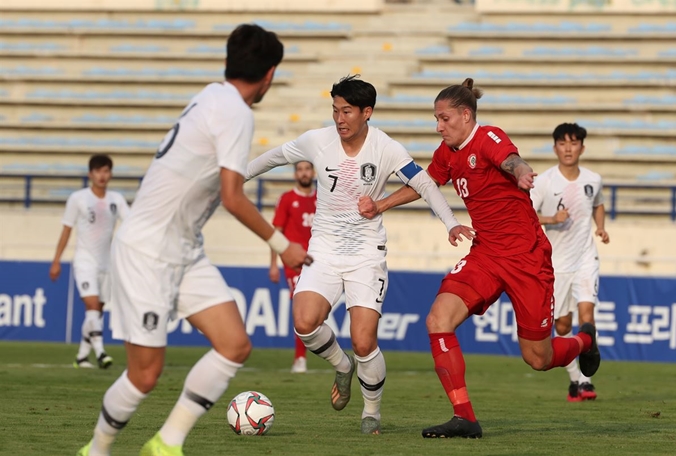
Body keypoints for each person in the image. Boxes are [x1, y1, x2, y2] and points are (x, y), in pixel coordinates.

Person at [77, 24, 311, 456]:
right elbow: (232, 197)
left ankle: (166, 443)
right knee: (145, 375)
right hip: (148, 250)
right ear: (270, 74)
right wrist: (283, 245)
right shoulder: (237, 112)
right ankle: (96, 450)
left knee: (235, 344)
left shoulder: (211, 95)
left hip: (183, 248)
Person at [358, 78, 601, 439]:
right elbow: (424, 184)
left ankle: (584, 340)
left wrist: (520, 172)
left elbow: (511, 159)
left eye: (444, 118)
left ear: (466, 115)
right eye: (436, 119)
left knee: (539, 358)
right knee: (438, 319)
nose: (438, 126)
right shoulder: (446, 153)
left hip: (526, 257)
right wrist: (381, 205)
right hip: (485, 253)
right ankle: (465, 418)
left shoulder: (487, 138)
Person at [246, 75, 473, 435]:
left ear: (367, 113)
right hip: (323, 249)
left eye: (347, 111)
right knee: (304, 323)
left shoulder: (386, 148)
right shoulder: (317, 141)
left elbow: (424, 183)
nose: (339, 118)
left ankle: (371, 412)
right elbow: (273, 158)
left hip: (367, 253)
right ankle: (342, 365)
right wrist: (231, 180)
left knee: (365, 341)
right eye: (335, 110)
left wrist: (450, 223)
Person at [531, 123, 609, 402]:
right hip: (556, 265)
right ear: (555, 148)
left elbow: (598, 204)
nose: (568, 148)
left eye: (573, 143)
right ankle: (575, 379)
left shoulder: (593, 179)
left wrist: (600, 227)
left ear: (582, 148)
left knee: (587, 316)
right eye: (563, 143)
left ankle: (586, 382)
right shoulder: (545, 182)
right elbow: (525, 213)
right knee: (562, 326)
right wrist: (552, 219)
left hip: (586, 258)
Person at [50, 154, 129, 370]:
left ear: (110, 174)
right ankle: (101, 353)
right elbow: (66, 230)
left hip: (107, 263)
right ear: (90, 174)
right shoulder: (78, 198)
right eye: (98, 171)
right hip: (85, 261)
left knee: (97, 311)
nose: (102, 175)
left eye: (106, 171)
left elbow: (130, 225)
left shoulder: (117, 200)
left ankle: (82, 357)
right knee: (92, 305)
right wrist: (56, 260)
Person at [268, 161, 317, 373]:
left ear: (313, 172)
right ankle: (300, 358)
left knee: (315, 313)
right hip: (295, 264)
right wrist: (273, 264)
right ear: (295, 173)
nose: (304, 173)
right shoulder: (287, 199)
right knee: (301, 309)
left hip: (320, 261)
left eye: (307, 169)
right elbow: (276, 233)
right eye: (300, 169)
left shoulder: (322, 198)